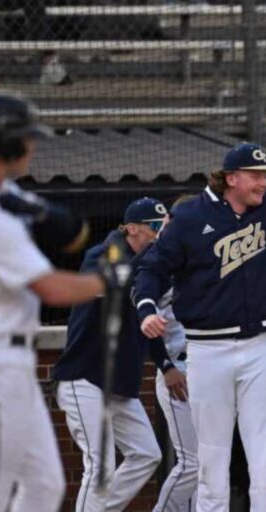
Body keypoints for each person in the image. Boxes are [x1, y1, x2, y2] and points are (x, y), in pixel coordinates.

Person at [135, 121, 266, 512]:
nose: (264, 183)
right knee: (211, 458)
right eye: (255, 175)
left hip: (263, 346)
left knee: (264, 455)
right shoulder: (190, 217)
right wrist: (146, 307)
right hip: (208, 350)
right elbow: (152, 267)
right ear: (231, 178)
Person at [0, 90, 114, 511]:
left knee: (43, 485)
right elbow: (53, 289)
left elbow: (73, 233)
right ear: (7, 143)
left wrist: (43, 215)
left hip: (10, 361)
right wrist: (110, 281)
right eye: (26, 139)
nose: (32, 147)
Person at [52, 197, 175, 512]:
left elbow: (150, 319)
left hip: (118, 384)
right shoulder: (103, 253)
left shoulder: (151, 267)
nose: (159, 234)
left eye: (164, 228)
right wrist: (153, 251)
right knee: (100, 465)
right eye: (155, 227)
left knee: (147, 454)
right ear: (132, 228)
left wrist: (165, 365)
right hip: (84, 376)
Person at [144, 194, 200, 512]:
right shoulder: (157, 262)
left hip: (204, 366)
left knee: (207, 463)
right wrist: (165, 367)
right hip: (177, 370)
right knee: (193, 463)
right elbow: (145, 322)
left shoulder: (199, 256)